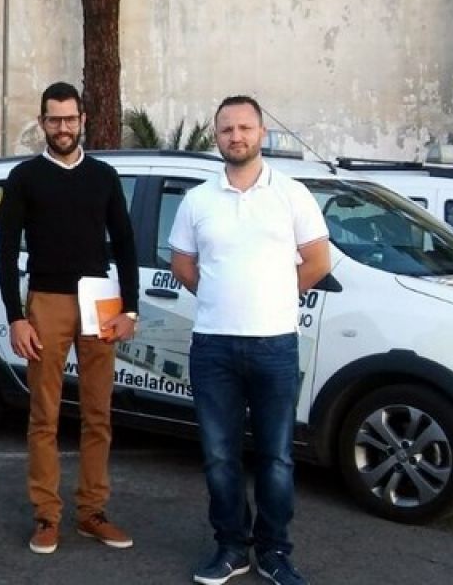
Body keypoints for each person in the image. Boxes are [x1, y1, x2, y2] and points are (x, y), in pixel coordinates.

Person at [168, 96, 331, 585]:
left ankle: (275, 552)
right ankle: (231, 547)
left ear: (261, 133)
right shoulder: (198, 200)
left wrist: (275, 296)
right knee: (219, 457)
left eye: (244, 127)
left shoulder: (293, 194)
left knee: (277, 459)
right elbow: (182, 265)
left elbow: (318, 261)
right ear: (216, 137)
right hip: (213, 347)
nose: (235, 136)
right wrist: (220, 294)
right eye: (226, 129)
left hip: (275, 345)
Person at [0, 81, 139, 555]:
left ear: (83, 121)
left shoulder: (104, 176)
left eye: (70, 119)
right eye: (54, 119)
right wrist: (16, 317)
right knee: (45, 415)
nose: (63, 127)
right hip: (47, 301)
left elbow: (125, 243)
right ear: (42, 122)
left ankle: (92, 512)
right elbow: (6, 249)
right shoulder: (25, 177)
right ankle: (46, 516)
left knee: (98, 414)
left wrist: (131, 308)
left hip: (100, 303)